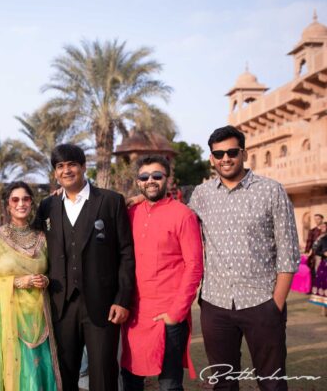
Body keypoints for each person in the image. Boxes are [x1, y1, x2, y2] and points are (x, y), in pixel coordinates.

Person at [189, 126, 299, 390]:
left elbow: (289, 252)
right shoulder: (201, 195)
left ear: (244, 154)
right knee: (223, 383)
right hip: (215, 303)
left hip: (262, 302)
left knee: (272, 383)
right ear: (212, 159)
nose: (225, 158)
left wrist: (275, 305)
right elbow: (176, 224)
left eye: (232, 152)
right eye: (219, 154)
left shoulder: (271, 190)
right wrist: (141, 199)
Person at [34, 143, 135, 391]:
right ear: (55, 172)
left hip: (103, 304)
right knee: (64, 374)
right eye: (60, 166)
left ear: (83, 167)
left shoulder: (111, 201)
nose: (66, 170)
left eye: (72, 165)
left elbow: (126, 253)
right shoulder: (48, 206)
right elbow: (27, 238)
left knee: (103, 373)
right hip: (61, 304)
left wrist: (122, 299)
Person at [0, 181, 62, 390]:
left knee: (34, 374)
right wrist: (15, 282)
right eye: (15, 200)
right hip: (3, 319)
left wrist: (45, 280)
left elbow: (54, 271)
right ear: (8, 205)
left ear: (32, 203)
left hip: (37, 319)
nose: (21, 204)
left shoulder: (43, 238)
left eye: (25, 199)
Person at [120, 156, 203, 391]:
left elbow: (194, 266)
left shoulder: (183, 215)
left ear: (168, 179)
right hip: (134, 316)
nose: (151, 181)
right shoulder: (130, 213)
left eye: (157, 176)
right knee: (130, 381)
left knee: (169, 384)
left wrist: (176, 313)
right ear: (138, 181)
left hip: (167, 314)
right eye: (144, 177)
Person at [309, 222, 327, 316]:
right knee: (323, 285)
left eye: (324, 226)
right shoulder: (322, 239)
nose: (322, 228)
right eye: (322, 226)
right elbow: (316, 250)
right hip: (324, 264)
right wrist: (323, 253)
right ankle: (323, 308)